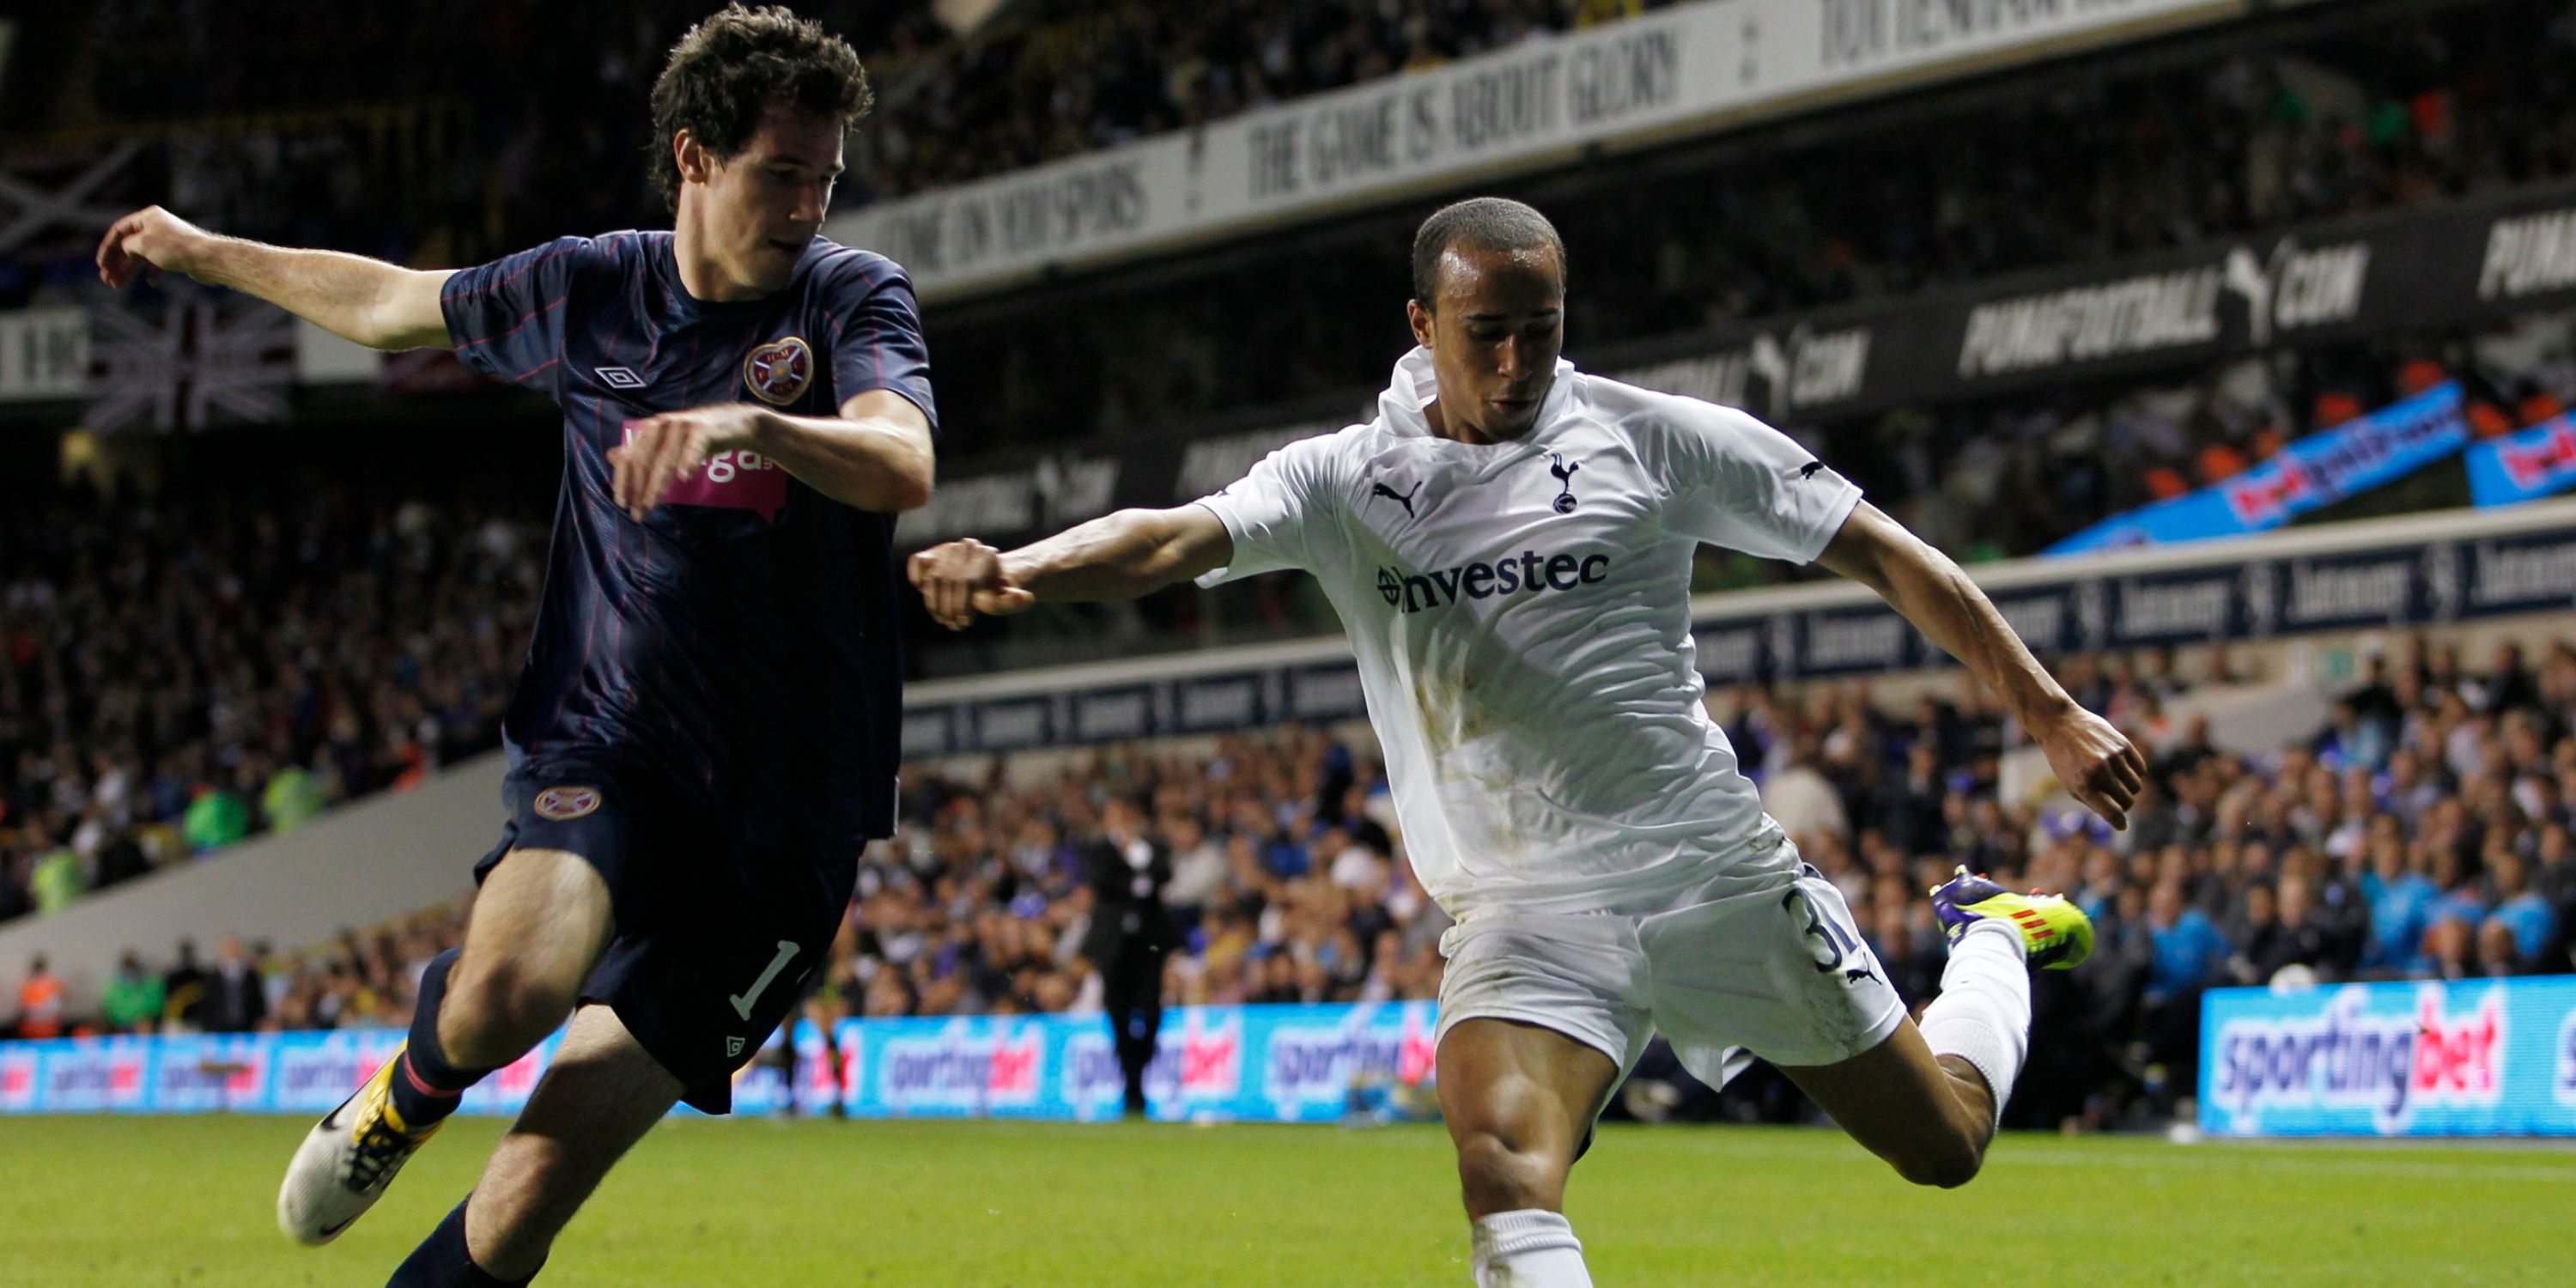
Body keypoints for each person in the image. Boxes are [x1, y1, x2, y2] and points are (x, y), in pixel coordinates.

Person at [909, 197, 2139, 1287]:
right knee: (1502, 1171)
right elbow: (1171, 538)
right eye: (1485, 332)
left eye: (1539, 329)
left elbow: (1878, 546)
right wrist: (1018, 564)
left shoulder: (1649, 438)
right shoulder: (1344, 481)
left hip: (1713, 874)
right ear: (1420, 323)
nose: (1515, 362)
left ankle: (1993, 943)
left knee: (1947, 1146)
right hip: (1524, 911)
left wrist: (2049, 713)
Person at [95, 7, 936, 1285]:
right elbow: (390, 306)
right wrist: (207, 251)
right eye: (784, 171)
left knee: (533, 1186)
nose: (812, 204)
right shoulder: (593, 284)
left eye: (827, 175)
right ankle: (403, 1098)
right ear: (697, 157)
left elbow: (903, 460)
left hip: (790, 824)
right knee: (511, 992)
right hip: (613, 739)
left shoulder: (850, 296)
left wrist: (758, 433)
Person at [1079, 796, 1175, 1117]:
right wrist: (1138, 878)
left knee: (1151, 1012)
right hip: (1113, 945)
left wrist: (1139, 865)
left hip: (1148, 944)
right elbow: (1105, 881)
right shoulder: (1099, 849)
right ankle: (1133, 1087)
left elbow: (1164, 873)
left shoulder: (1152, 846)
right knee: (1119, 1015)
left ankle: (1138, 1065)